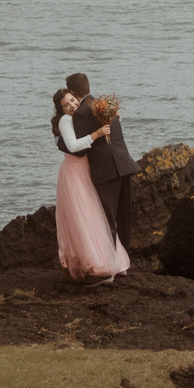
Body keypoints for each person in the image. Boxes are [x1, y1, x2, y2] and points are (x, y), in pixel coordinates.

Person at [51, 88, 129, 280]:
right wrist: (96, 134)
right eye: (66, 105)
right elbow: (73, 146)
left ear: (77, 97)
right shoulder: (66, 120)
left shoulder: (82, 116)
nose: (72, 105)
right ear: (60, 109)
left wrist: (114, 116)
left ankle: (113, 261)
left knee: (97, 217)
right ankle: (93, 262)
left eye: (72, 100)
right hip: (74, 173)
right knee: (84, 218)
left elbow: (106, 126)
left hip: (86, 170)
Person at [65, 70, 137, 255]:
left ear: (72, 92)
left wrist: (63, 145)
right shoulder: (106, 105)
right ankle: (124, 263)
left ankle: (110, 262)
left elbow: (80, 149)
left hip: (106, 170)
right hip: (124, 163)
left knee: (107, 219)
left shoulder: (81, 112)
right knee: (124, 218)